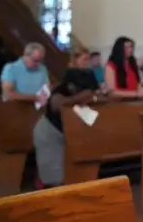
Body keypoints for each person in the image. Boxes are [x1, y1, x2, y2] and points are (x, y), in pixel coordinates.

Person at [33, 46, 102, 188]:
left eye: (88, 60)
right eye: (84, 59)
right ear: (73, 61)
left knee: (64, 176)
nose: (87, 63)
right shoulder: (66, 79)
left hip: (66, 130)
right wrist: (79, 98)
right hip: (50, 132)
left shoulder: (87, 76)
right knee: (54, 179)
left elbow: (91, 95)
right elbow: (56, 103)